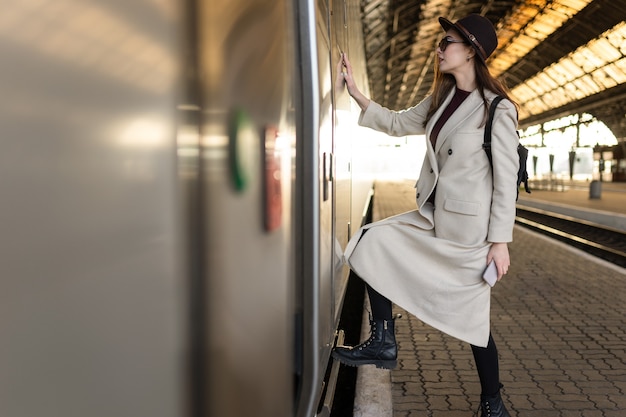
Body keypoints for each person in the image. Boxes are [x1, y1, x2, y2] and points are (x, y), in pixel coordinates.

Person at [332, 14, 518, 417]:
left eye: (447, 42)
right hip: (435, 218)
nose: (439, 48)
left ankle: (493, 405)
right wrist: (358, 96)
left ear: (470, 51)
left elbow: (505, 181)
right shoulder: (441, 98)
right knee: (371, 241)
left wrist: (500, 242)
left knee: (474, 322)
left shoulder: (498, 110)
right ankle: (383, 338)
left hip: (470, 235)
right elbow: (398, 123)